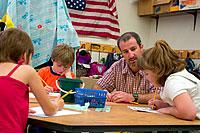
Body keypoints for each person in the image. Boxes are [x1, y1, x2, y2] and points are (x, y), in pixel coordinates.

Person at [0, 28, 64, 132]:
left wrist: (19, 109)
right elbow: (49, 110)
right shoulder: (27, 71)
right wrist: (57, 105)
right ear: (25, 55)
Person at [137, 39, 200, 120]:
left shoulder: (173, 82)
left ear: (157, 69)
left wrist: (168, 110)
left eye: (146, 73)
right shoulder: (178, 76)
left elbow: (188, 113)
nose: (146, 78)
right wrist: (164, 105)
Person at [93, 32, 156, 103]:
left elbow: (160, 96)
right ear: (122, 54)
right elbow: (97, 87)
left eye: (133, 49)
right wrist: (104, 93)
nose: (131, 55)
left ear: (141, 47)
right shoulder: (117, 66)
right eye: (126, 52)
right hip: (122, 112)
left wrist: (132, 97)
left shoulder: (153, 65)